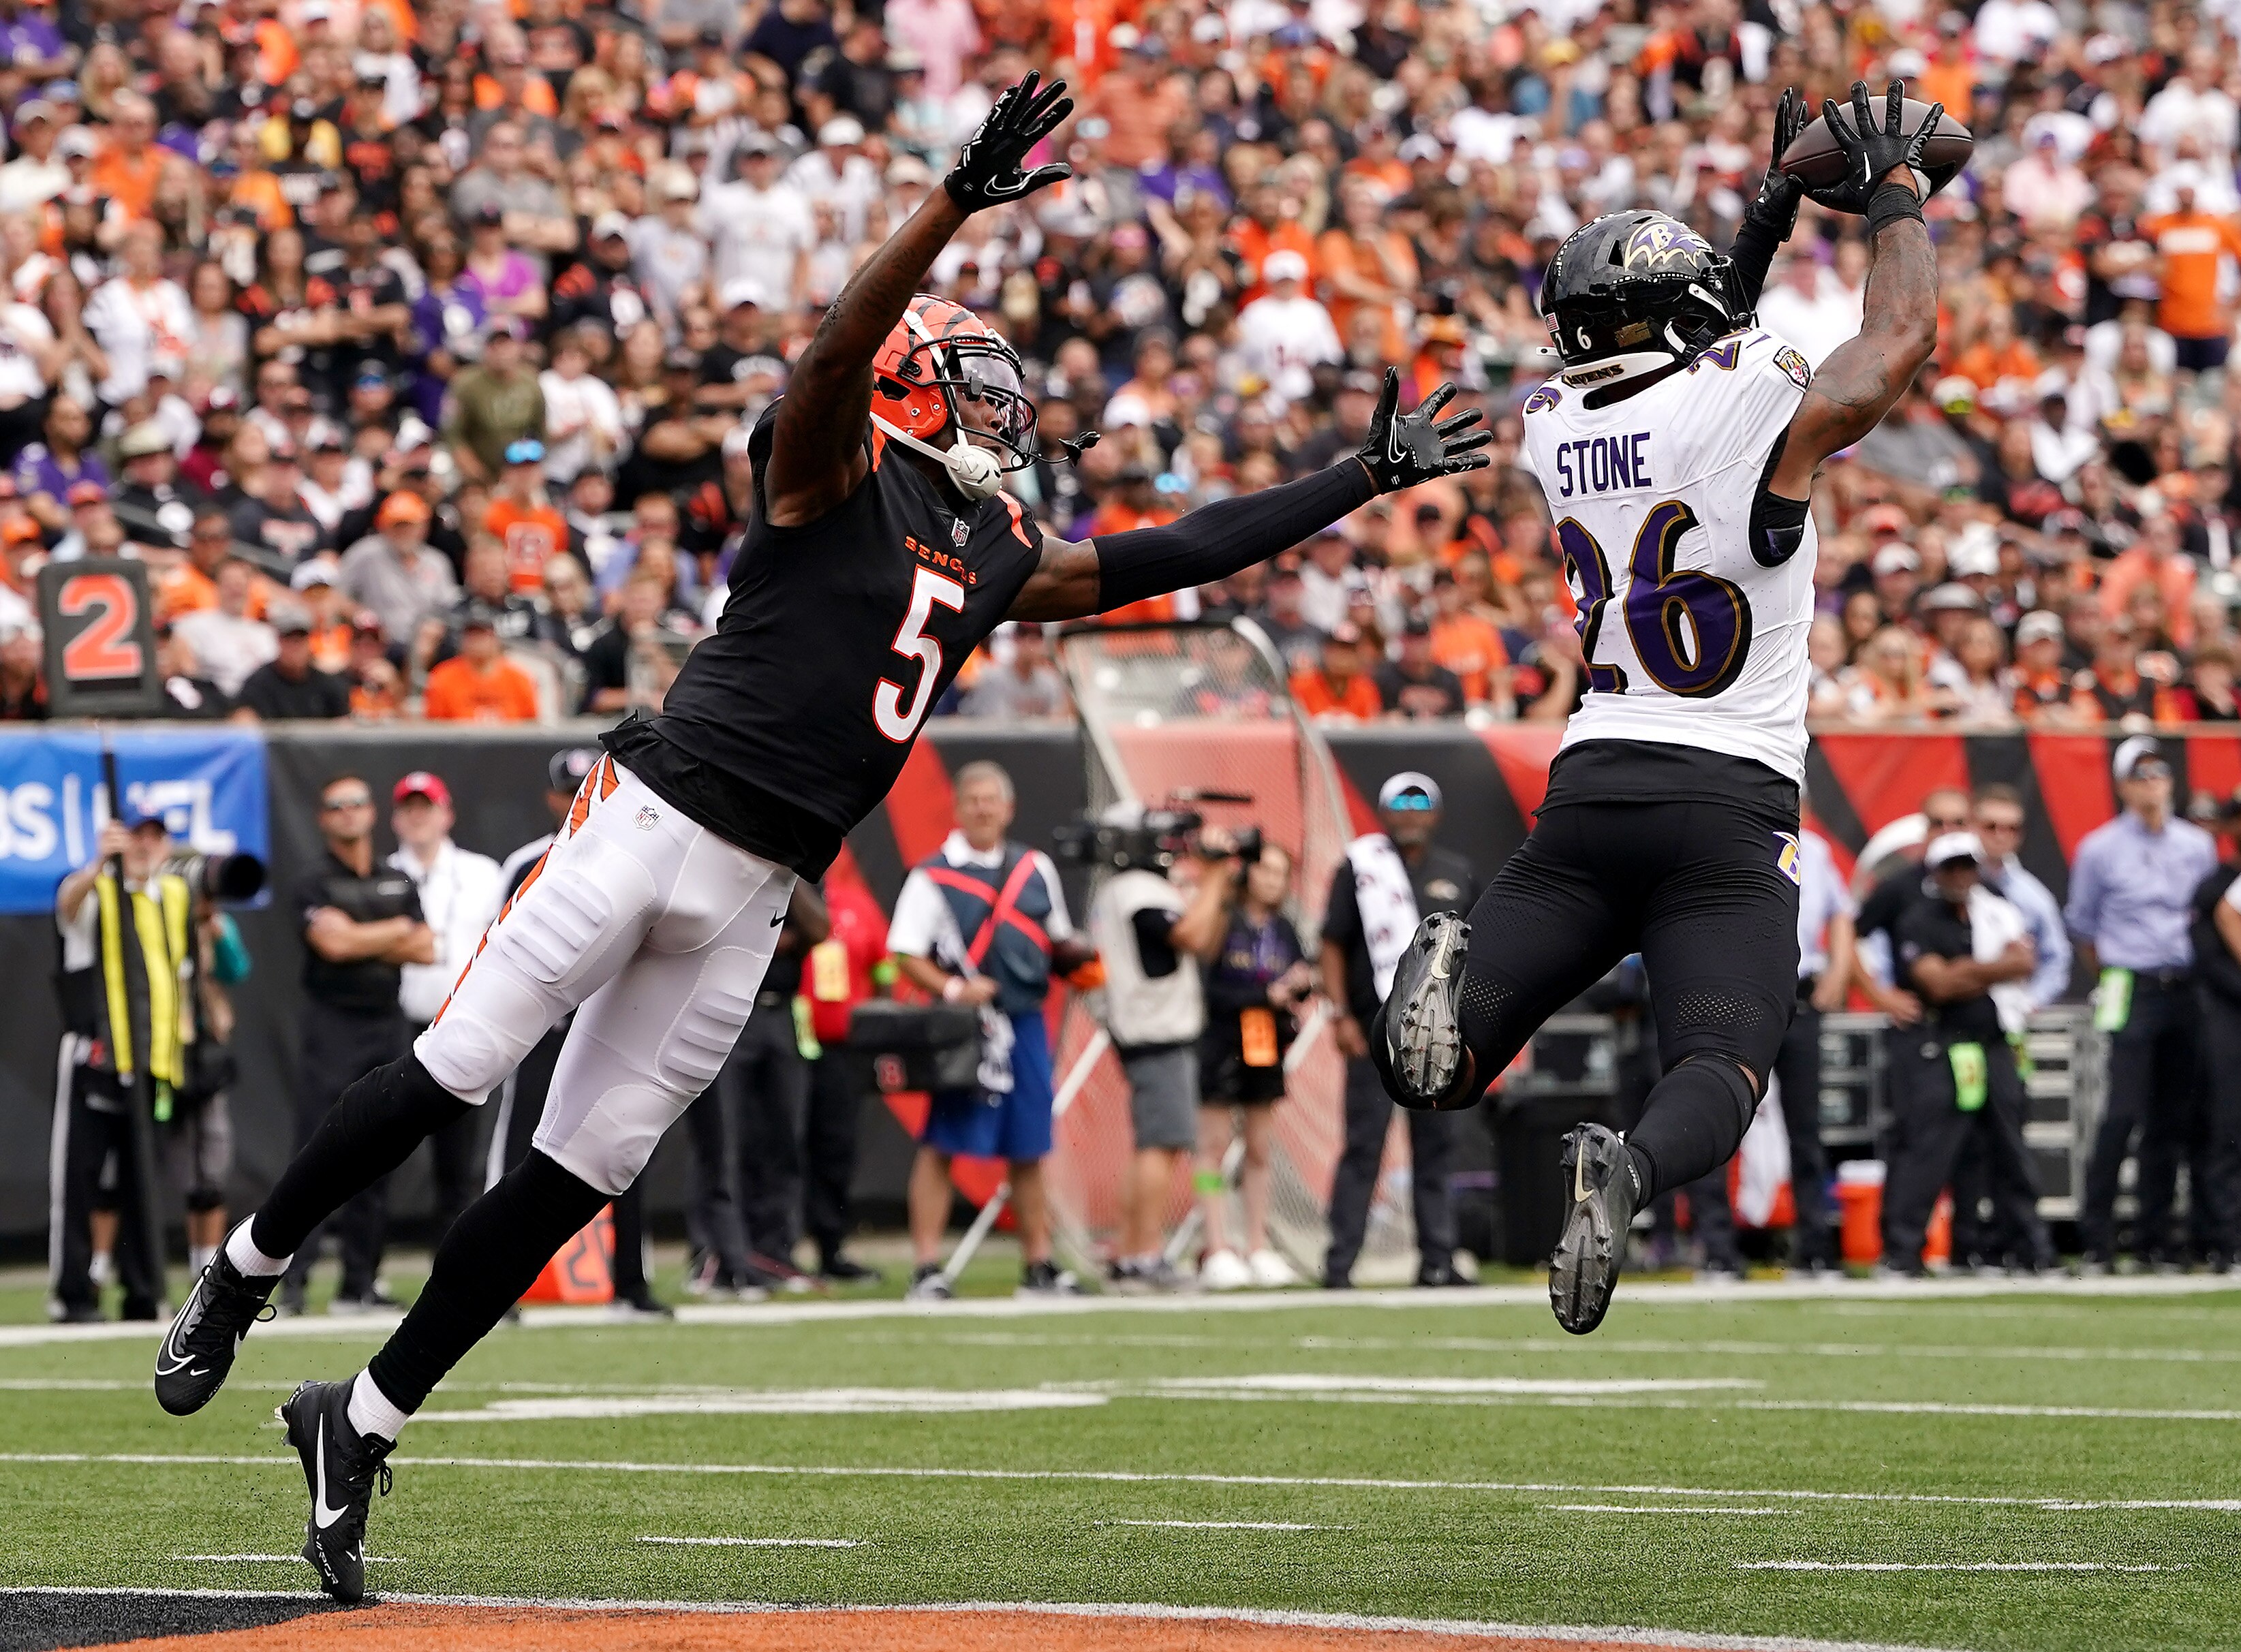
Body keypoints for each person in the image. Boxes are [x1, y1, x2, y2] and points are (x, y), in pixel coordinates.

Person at [154, 75, 1485, 1602]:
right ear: (919, 394)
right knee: (464, 1062)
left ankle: (362, 1420)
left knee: (583, 1163)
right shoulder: (826, 461)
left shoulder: (989, 545)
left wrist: (1355, 479)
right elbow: (838, 348)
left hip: (756, 888)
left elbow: (1160, 557)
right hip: (655, 813)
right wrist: (950, 207)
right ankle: (245, 1268)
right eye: (980, 394)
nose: (1006, 420)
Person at [1378, 84, 1946, 1335]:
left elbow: (1692, 351)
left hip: (1587, 787)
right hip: (1724, 801)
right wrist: (1891, 191)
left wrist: (1767, 212)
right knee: (1720, 1064)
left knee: (1445, 1066)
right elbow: (1893, 343)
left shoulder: (1550, 424)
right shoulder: (1741, 397)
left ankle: (1447, 977)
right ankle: (1626, 1170)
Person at [485, 749, 668, 1318]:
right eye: (567, 793)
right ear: (552, 799)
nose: (578, 803)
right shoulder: (527, 861)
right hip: (545, 1021)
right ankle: (497, 1283)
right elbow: (503, 940)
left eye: (587, 790)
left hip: (609, 1023)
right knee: (519, 1152)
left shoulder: (639, 857)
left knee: (621, 1146)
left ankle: (630, 1282)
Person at [891, 760, 1083, 1299]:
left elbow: (1057, 938)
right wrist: (953, 989)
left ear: (1008, 808)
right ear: (957, 807)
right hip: (966, 1028)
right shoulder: (932, 875)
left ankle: (1039, 1265)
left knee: (1029, 1143)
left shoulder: (1034, 867)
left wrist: (1082, 962)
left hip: (1023, 1021)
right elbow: (905, 950)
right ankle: (927, 1266)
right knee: (942, 1142)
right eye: (972, 799)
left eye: (990, 799)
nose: (981, 808)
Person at [273, 775, 433, 1318]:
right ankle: (293, 1280)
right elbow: (331, 943)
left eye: (357, 803)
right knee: (315, 1150)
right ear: (323, 818)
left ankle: (360, 1281)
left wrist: (363, 936)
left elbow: (425, 946)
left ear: (371, 813)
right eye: (335, 805)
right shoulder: (313, 882)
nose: (347, 813)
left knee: (381, 1148)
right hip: (333, 1024)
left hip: (386, 1023)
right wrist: (390, 934)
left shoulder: (397, 877)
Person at [1322, 773, 1481, 1289]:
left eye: (1420, 803)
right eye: (1400, 803)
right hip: (1375, 1029)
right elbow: (1332, 943)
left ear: (1435, 813)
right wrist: (1340, 1014)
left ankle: (1437, 1259)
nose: (1410, 813)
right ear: (1384, 811)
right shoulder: (1361, 868)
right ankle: (1339, 1263)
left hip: (1440, 1034)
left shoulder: (1457, 872)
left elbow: (1478, 952)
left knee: (1436, 1147)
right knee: (1364, 1144)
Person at [2067, 737, 2219, 1272]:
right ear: (2122, 784)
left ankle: (2156, 1237)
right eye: (2140, 774)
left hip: (2185, 984)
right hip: (2130, 981)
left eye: (2158, 771)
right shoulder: (2100, 848)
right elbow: (2083, 927)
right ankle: (2097, 1236)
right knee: (2120, 1113)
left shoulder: (2195, 845)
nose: (2152, 782)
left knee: (2173, 1116)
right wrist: (2113, 973)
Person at [51, 812, 209, 1322]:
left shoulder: (173, 897)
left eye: (154, 837)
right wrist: (100, 861)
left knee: (145, 1181)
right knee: (82, 1179)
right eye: (135, 837)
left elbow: (180, 975)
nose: (144, 846)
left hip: (154, 1062)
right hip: (97, 1057)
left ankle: (143, 1291)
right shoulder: (96, 890)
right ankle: (72, 1292)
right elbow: (67, 906)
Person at [1088, 809, 1240, 1292]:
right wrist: (1214, 874)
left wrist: (1217, 887)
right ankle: (1141, 1254)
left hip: (1148, 1027)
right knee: (1162, 1142)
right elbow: (1192, 935)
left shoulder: (1124, 890)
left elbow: (1205, 941)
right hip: (1154, 1031)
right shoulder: (1137, 890)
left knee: (1155, 1142)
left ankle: (1132, 1250)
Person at [1879, 833, 2042, 1276]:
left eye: (1966, 866)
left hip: (1993, 1043)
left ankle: (2029, 1249)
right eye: (1950, 867)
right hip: (1941, 1043)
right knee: (1929, 1150)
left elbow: (2026, 963)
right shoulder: (1918, 919)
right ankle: (1903, 1250)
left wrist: (1967, 971)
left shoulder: (1996, 911)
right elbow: (1939, 985)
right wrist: (1996, 969)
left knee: (2009, 1148)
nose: (1959, 875)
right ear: (1934, 872)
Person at [1949, 783, 2072, 1271]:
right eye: (1990, 825)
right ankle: (1966, 1241)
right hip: (1956, 1027)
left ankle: (2014, 1240)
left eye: (2011, 828)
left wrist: (2029, 1002)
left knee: (2008, 1135)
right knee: (1961, 1140)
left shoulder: (2028, 895)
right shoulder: (1952, 881)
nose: (2000, 836)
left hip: (2006, 1029)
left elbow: (2054, 959)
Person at [386, 773, 504, 1247]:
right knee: (378, 1150)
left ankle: (457, 1271)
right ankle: (360, 1279)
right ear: (395, 818)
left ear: (447, 813)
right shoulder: (384, 874)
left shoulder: (482, 873)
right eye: (409, 808)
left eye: (426, 806)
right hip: (398, 1025)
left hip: (460, 1022)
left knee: (460, 1160)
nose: (418, 816)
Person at [1193, 840, 1312, 1289]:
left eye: (1280, 873)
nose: (1271, 881)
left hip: (1265, 1045)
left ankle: (1257, 1244)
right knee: (1213, 1147)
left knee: (1260, 1147)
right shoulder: (1223, 920)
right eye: (1264, 870)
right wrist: (1262, 995)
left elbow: (1298, 972)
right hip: (1222, 1042)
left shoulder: (1284, 928)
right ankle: (1216, 1246)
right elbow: (1207, 989)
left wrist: (1300, 985)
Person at [801, 873, 893, 1283]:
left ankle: (830, 1248)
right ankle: (769, 1247)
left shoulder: (857, 902)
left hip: (841, 1049)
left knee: (836, 1146)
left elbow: (884, 966)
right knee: (776, 1145)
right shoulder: (782, 893)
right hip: (787, 1039)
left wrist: (883, 1025)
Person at [2189, 790, 2241, 1273]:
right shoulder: (2215, 888)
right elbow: (2209, 961)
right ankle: (2225, 1239)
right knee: (2227, 1127)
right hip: (2228, 1016)